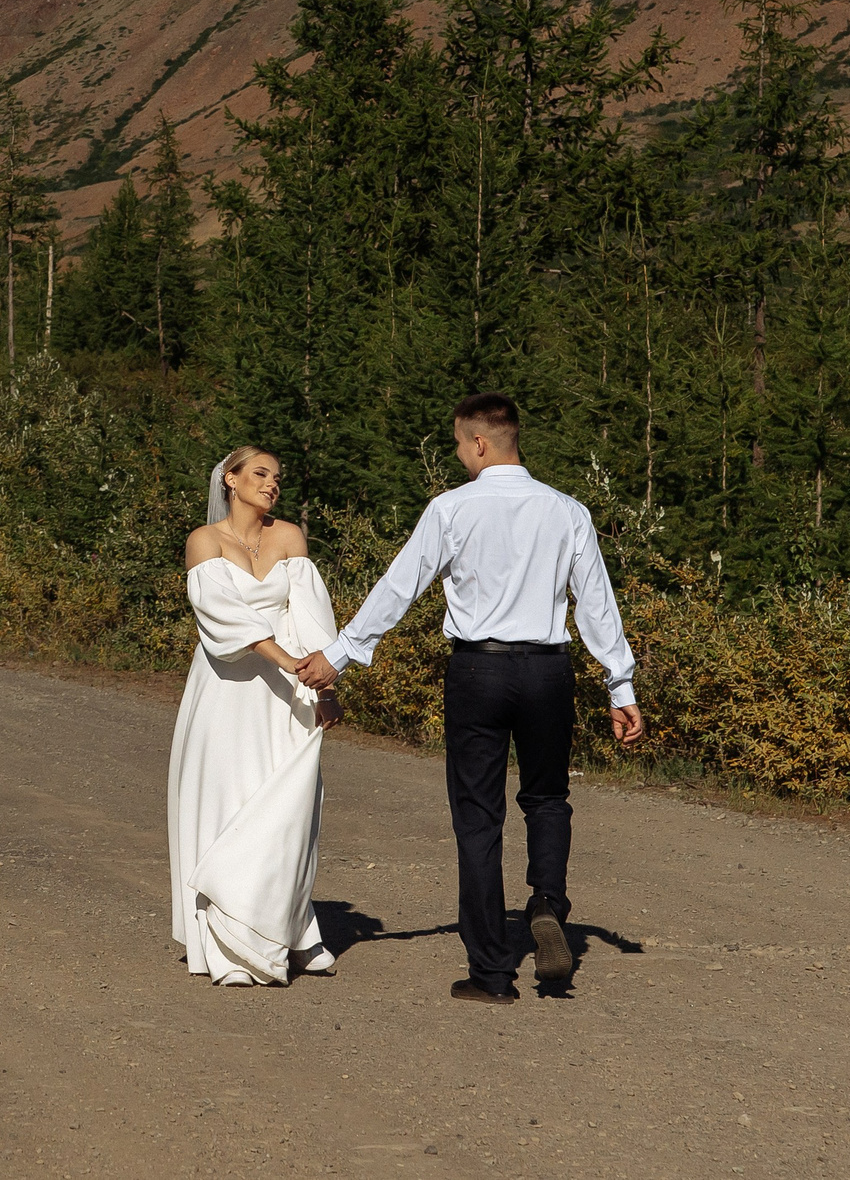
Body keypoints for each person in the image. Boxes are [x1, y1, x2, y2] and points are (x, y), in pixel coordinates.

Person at [292, 394, 643, 1004]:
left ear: (480, 442)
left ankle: (492, 974)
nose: (459, 455)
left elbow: (400, 586)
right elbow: (596, 604)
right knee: (547, 798)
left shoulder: (452, 508)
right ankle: (546, 903)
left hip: (479, 670)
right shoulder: (567, 510)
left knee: (479, 817)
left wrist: (340, 655)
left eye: (458, 444)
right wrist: (621, 685)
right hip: (548, 671)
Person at [167, 446, 344, 986]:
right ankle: (228, 946)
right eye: (260, 474)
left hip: (286, 694)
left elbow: (311, 615)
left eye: (277, 477)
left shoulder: (288, 537)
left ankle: (288, 930)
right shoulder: (205, 541)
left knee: (290, 805)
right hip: (227, 689)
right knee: (228, 802)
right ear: (230, 479)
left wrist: (325, 684)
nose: (272, 484)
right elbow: (223, 616)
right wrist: (289, 662)